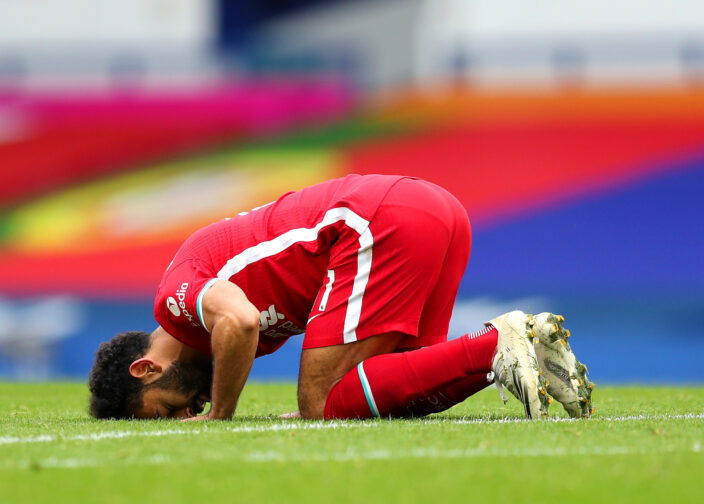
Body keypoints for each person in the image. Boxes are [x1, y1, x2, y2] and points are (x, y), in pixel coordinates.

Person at [88, 174, 594, 421]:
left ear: (146, 369)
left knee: (321, 403)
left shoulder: (173, 301)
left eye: (167, 410)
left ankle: (498, 343)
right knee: (402, 392)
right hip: (434, 211)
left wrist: (221, 413)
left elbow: (239, 321)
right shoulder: (206, 333)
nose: (186, 414)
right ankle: (531, 347)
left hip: (373, 221)